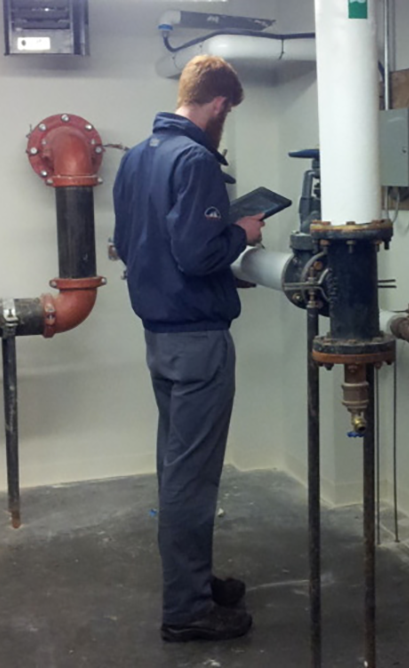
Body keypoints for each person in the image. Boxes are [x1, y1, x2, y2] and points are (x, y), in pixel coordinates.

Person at [113, 55, 265, 643]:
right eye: (229, 110)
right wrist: (242, 234)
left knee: (176, 469)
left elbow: (127, 243)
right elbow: (200, 254)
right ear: (220, 104)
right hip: (198, 339)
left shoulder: (137, 156)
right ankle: (186, 610)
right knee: (191, 480)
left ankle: (194, 583)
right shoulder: (196, 157)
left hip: (159, 336)